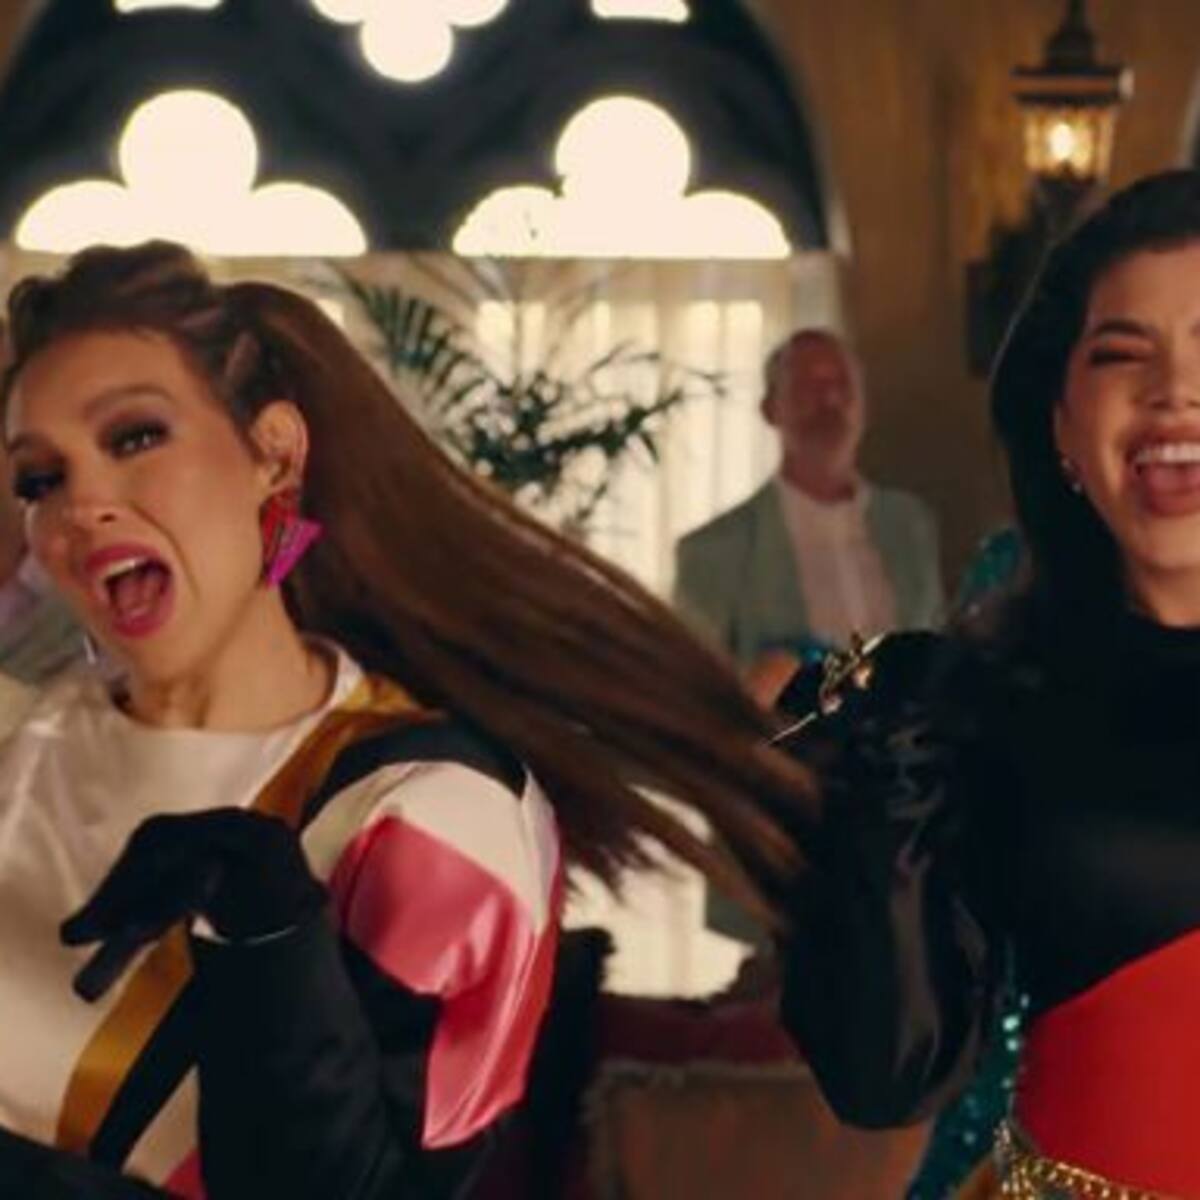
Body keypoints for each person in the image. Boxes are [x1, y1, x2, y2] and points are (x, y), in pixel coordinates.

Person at [0, 242, 813, 1198]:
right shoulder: (19, 745)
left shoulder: (435, 813)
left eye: (135, 436)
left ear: (274, 454)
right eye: (40, 479)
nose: (82, 504)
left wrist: (265, 933)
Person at [763, 168, 1200, 1198]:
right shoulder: (964, 702)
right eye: (1122, 354)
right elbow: (886, 1078)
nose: (1176, 391)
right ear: (1061, 428)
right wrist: (871, 769)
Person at [673, 328, 944, 670]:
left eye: (843, 385)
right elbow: (695, 686)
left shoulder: (910, 525)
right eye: (807, 387)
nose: (829, 400)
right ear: (769, 409)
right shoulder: (715, 551)